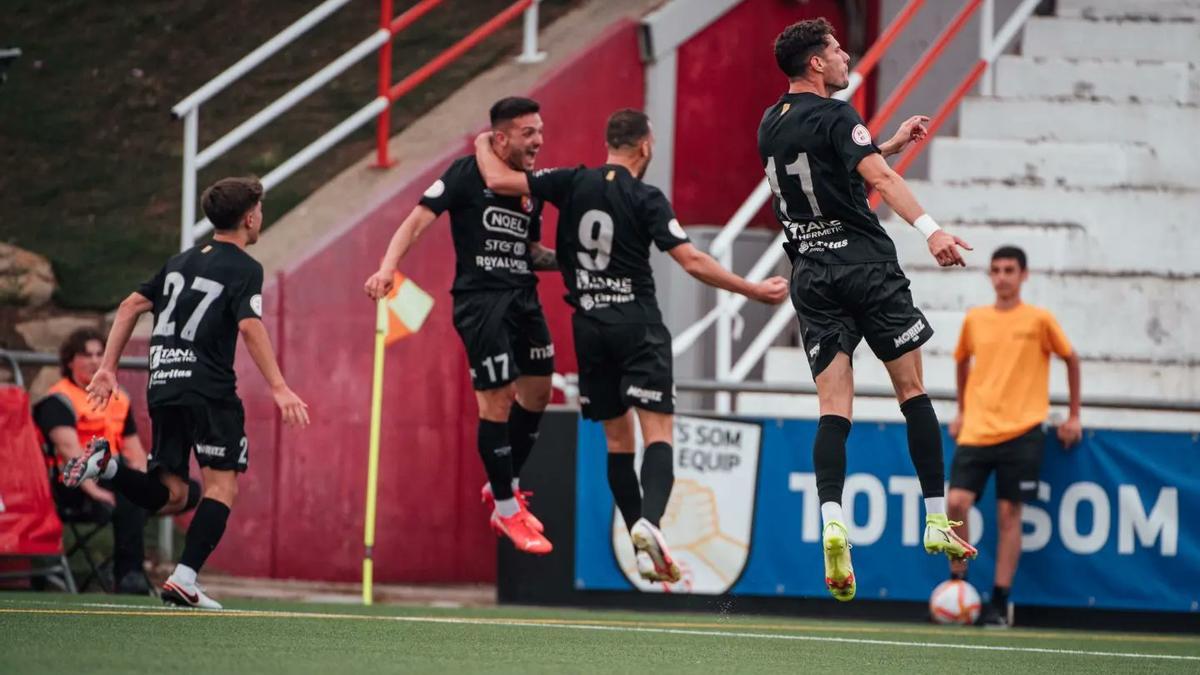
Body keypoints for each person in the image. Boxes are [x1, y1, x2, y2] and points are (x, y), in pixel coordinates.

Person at [473, 108, 789, 582]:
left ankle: (643, 552)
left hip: (589, 329)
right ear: (644, 147)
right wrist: (752, 290)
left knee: (618, 441)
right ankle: (650, 526)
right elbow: (692, 261)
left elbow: (499, 181)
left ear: (609, 143)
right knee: (659, 435)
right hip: (637, 327)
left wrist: (483, 144)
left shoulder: (570, 181)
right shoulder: (646, 197)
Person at [759, 19, 977, 602]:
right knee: (912, 393)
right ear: (814, 64)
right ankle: (937, 519)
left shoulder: (771, 123)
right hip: (866, 268)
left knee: (834, 408)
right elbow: (873, 176)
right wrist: (932, 231)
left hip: (811, 274)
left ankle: (832, 518)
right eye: (833, 49)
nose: (843, 53)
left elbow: (834, 166)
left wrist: (889, 142)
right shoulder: (837, 115)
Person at [63, 176, 310, 609]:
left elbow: (129, 307)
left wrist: (108, 368)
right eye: (260, 210)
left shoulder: (179, 262)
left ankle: (108, 469)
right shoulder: (245, 268)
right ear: (250, 216)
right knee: (221, 486)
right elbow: (250, 326)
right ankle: (185, 577)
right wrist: (280, 386)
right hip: (209, 391)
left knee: (172, 493)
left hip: (164, 386)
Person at [364, 97, 557, 555]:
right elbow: (414, 222)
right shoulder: (464, 173)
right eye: (530, 133)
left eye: (541, 131)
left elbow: (532, 251)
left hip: (524, 298)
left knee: (539, 391)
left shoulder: (531, 187)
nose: (539, 141)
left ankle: (502, 486)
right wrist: (388, 268)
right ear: (502, 136)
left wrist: (574, 261)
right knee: (497, 399)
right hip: (481, 301)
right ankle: (507, 511)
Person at [947, 245, 1082, 627]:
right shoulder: (975, 319)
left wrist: (1073, 415)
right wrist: (961, 410)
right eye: (996, 270)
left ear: (1024, 275)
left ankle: (998, 602)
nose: (1002, 276)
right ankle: (959, 587)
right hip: (977, 429)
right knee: (956, 503)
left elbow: (1071, 358)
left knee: (1009, 514)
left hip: (1023, 431)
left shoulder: (1039, 320)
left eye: (1009, 270)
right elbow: (961, 362)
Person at [34, 328, 151, 594]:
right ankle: (129, 575)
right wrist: (95, 491)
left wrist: (148, 484)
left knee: (184, 489)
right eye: (86, 355)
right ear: (69, 361)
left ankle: (128, 570)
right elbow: (70, 453)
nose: (95, 360)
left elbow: (135, 452)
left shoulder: (119, 399)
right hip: (73, 487)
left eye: (100, 354)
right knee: (128, 496)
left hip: (114, 478)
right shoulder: (58, 400)